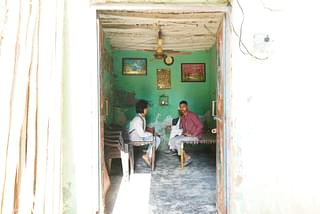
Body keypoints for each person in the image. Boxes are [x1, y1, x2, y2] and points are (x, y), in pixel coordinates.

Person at [169, 100, 203, 167]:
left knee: (178, 141)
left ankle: (185, 158)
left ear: (187, 107)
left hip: (196, 136)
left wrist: (193, 134)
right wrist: (183, 133)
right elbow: (183, 129)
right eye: (181, 107)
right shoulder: (183, 117)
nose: (182, 108)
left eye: (184, 107)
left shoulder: (192, 115)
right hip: (187, 136)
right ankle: (186, 156)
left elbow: (200, 126)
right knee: (172, 140)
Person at [128, 99, 161, 167]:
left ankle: (147, 155)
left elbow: (143, 130)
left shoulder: (142, 118)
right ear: (143, 109)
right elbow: (142, 134)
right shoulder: (137, 119)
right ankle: (147, 155)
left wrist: (152, 133)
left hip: (138, 136)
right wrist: (152, 134)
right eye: (147, 108)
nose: (148, 110)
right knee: (156, 139)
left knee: (156, 138)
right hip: (135, 138)